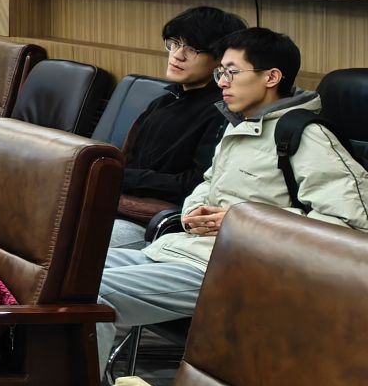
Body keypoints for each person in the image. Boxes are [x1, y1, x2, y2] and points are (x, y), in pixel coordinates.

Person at [97, 27, 368, 362]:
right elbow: (208, 182)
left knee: (93, 294)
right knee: (64, 274)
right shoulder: (239, 123)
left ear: (271, 77)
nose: (222, 82)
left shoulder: (305, 136)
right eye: (220, 73)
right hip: (188, 250)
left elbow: (350, 225)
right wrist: (193, 212)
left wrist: (243, 222)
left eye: (232, 73)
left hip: (241, 268)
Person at [107, 5, 245, 244]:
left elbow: (197, 184)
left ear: (221, 60)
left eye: (192, 49)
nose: (178, 55)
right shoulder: (164, 101)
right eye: (175, 43)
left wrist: (123, 177)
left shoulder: (223, 112)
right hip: (116, 205)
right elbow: (127, 158)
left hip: (159, 223)